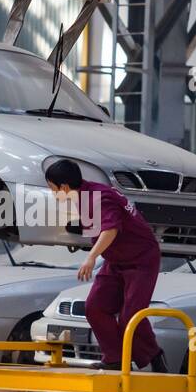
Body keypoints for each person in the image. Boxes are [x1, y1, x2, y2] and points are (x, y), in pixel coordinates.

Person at [45, 159, 167, 372]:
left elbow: (110, 230)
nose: (53, 194)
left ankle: (155, 357)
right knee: (95, 307)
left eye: (53, 189)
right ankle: (115, 358)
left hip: (141, 260)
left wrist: (92, 257)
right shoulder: (82, 195)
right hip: (116, 260)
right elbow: (98, 227)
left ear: (64, 187)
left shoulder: (98, 198)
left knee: (131, 316)